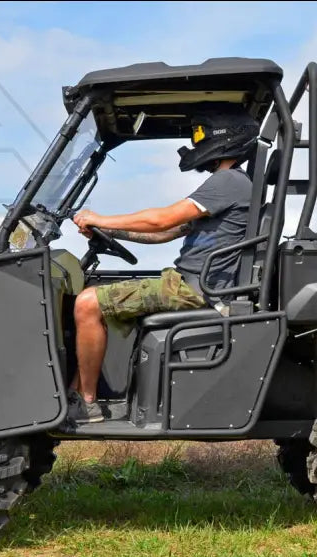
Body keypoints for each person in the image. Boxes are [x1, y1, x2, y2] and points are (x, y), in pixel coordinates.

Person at [67, 106, 260, 423]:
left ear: (224, 137)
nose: (197, 143)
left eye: (201, 135)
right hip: (190, 284)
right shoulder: (232, 184)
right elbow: (166, 233)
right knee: (94, 298)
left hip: (192, 290)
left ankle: (87, 404)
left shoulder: (228, 181)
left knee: (87, 303)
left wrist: (100, 218)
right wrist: (110, 232)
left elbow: (161, 220)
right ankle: (77, 393)